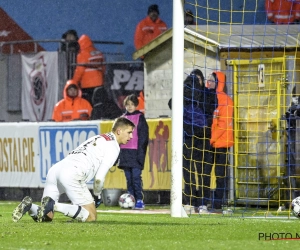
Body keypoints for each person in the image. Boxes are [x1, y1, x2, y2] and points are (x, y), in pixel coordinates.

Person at [12, 117, 135, 223]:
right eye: (129, 132)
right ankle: (53, 205)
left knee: (46, 216)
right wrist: (97, 195)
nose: (131, 136)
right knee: (91, 216)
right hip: (72, 173)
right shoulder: (113, 147)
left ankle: (29, 206)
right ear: (119, 131)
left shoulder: (99, 138)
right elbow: (99, 178)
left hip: (55, 170)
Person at [180, 69, 216, 212]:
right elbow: (172, 103)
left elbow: (211, 110)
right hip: (191, 138)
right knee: (189, 172)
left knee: (201, 172)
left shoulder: (205, 95)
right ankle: (191, 201)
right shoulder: (185, 95)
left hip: (200, 138)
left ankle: (202, 201)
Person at [202, 71, 233, 211]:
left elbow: (223, 124)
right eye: (207, 80)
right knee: (206, 171)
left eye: (211, 80)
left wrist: (211, 139)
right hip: (211, 141)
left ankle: (219, 201)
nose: (208, 83)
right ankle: (205, 200)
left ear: (219, 82)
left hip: (221, 143)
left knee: (220, 173)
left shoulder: (225, 100)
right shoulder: (208, 97)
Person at [118, 94, 149, 209]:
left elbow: (143, 137)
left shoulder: (140, 117)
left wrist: (141, 153)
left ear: (136, 105)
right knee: (129, 178)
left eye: (132, 104)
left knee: (136, 177)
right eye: (128, 104)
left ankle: (139, 199)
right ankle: (131, 198)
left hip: (136, 152)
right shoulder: (122, 119)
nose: (130, 107)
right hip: (125, 152)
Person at [72, 34, 105, 105]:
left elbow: (79, 70)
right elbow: (103, 68)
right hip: (100, 83)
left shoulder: (82, 54)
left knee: (88, 104)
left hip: (87, 84)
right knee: (98, 103)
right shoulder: (99, 53)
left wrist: (74, 82)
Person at [282, 87, 300, 209]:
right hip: (294, 144)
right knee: (292, 171)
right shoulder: (293, 105)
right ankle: (293, 201)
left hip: (295, 144)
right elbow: (288, 116)